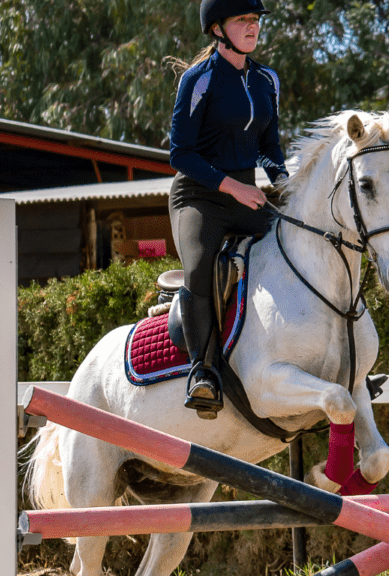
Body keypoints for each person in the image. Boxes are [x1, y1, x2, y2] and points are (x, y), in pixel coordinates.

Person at [168, 0, 289, 419]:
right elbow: (180, 153)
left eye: (256, 20)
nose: (253, 27)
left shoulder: (266, 80)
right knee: (200, 265)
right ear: (218, 29)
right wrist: (232, 186)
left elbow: (269, 147)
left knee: (297, 243)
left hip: (245, 194)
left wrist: (284, 185)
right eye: (243, 20)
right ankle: (202, 372)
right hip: (198, 196)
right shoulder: (198, 80)